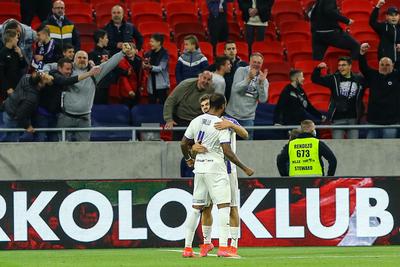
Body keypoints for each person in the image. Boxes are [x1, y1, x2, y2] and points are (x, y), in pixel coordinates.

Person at [180, 93, 254, 258]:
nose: (205, 107)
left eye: (207, 104)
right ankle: (219, 246)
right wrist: (245, 167)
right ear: (223, 105)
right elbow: (226, 151)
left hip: (205, 169)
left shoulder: (213, 121)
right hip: (217, 168)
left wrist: (189, 158)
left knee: (199, 208)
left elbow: (184, 142)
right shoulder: (217, 123)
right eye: (202, 105)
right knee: (220, 207)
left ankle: (189, 248)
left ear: (211, 104)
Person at [57, 43, 131, 141]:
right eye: (79, 57)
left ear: (88, 60)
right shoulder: (67, 71)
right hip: (65, 117)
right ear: (74, 60)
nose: (82, 60)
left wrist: (122, 53)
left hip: (84, 118)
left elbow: (110, 63)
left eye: (84, 58)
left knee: (84, 149)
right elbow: (52, 66)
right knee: (61, 149)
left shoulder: (94, 73)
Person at [36, 58, 102, 141]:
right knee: (40, 140)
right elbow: (65, 81)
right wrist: (89, 73)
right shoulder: (53, 75)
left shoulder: (64, 74)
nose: (69, 72)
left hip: (55, 115)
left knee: (54, 142)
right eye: (67, 69)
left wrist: (89, 64)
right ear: (59, 68)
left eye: (71, 69)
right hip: (43, 115)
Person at [312, 57, 366, 139]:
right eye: (339, 65)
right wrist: (318, 69)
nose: (341, 68)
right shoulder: (333, 78)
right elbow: (315, 79)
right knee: (337, 145)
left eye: (344, 65)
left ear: (350, 66)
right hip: (337, 119)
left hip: (353, 119)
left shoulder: (359, 79)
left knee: (354, 145)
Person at [359, 42, 400, 138]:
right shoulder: (373, 75)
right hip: (373, 120)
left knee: (388, 148)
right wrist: (362, 53)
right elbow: (363, 67)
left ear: (393, 66)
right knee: (370, 148)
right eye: (382, 64)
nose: (384, 67)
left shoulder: (396, 77)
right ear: (378, 65)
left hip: (391, 121)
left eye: (387, 65)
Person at [225, 52, 268, 139]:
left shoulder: (264, 80)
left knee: (248, 147)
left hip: (248, 119)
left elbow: (263, 99)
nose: (256, 64)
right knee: (226, 143)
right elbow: (236, 89)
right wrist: (248, 78)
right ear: (249, 62)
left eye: (259, 63)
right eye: (254, 62)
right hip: (231, 115)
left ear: (262, 64)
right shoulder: (241, 71)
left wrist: (261, 84)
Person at [1, 72, 54, 142]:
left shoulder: (25, 77)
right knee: (11, 142)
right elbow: (20, 115)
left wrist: (47, 79)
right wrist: (28, 126)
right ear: (39, 84)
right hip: (13, 116)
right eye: (44, 80)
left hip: (8, 107)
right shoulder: (31, 98)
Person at [163, 71, 215, 140]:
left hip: (196, 121)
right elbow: (171, 100)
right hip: (180, 119)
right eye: (204, 78)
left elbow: (211, 108)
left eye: (208, 80)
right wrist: (169, 119)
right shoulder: (186, 84)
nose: (205, 81)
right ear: (199, 78)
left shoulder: (211, 90)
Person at [109, 43, 143, 107]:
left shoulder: (140, 60)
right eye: (127, 49)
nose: (129, 51)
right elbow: (123, 78)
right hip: (126, 91)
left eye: (130, 49)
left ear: (135, 50)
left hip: (137, 90)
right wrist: (129, 90)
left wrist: (142, 86)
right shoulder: (122, 61)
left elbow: (142, 74)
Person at [370, 1, 400, 69]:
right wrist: (377, 7)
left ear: (399, 16)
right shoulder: (383, 27)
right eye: (391, 15)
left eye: (396, 15)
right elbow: (372, 22)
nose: (393, 17)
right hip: (385, 61)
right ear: (386, 17)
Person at [143, 33, 170, 104]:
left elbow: (161, 68)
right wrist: (144, 65)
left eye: (152, 41)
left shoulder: (165, 54)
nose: (150, 43)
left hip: (161, 85)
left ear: (159, 42)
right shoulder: (148, 53)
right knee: (152, 105)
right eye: (150, 41)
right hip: (151, 84)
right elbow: (145, 65)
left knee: (162, 106)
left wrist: (150, 67)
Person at [0, 29, 26, 100]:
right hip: (7, 89)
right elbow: (1, 73)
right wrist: (7, 88)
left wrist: (20, 54)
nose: (17, 40)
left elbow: (23, 66)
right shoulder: (2, 53)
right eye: (16, 38)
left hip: (17, 85)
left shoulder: (16, 50)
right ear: (11, 39)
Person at [89, 29, 112, 104]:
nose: (107, 40)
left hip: (106, 85)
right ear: (100, 39)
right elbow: (91, 70)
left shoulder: (107, 52)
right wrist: (100, 63)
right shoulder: (91, 53)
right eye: (106, 38)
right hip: (96, 86)